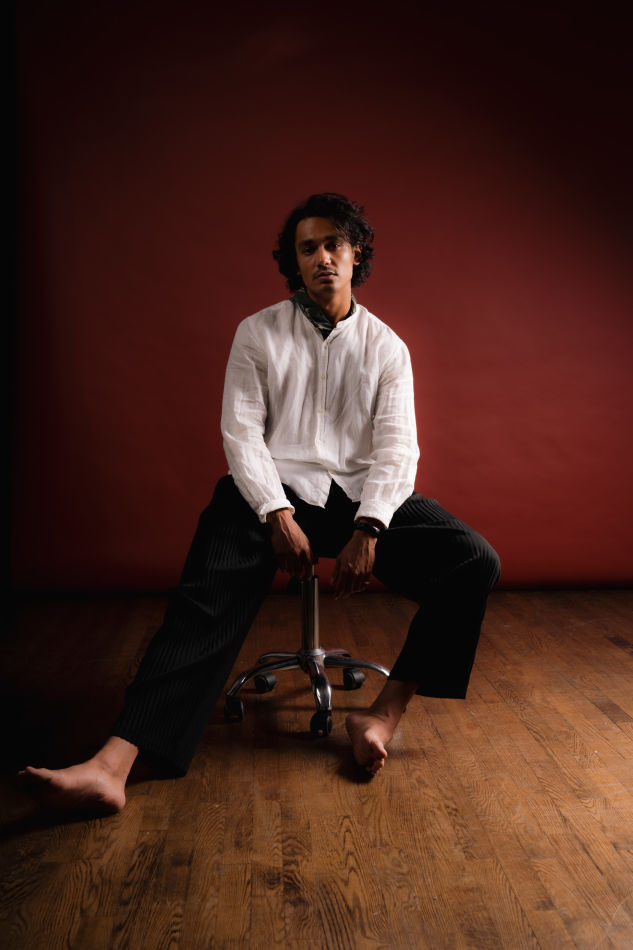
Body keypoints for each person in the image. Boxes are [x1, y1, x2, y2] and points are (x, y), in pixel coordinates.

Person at [19, 193, 500, 814]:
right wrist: (276, 514)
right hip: (271, 492)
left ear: (357, 254)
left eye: (334, 244)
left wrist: (370, 528)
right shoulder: (257, 332)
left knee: (473, 560)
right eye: (308, 248)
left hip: (360, 499)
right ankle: (113, 764)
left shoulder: (387, 347)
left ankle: (379, 718)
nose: (323, 258)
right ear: (293, 262)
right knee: (201, 604)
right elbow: (241, 433)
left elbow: (398, 448)